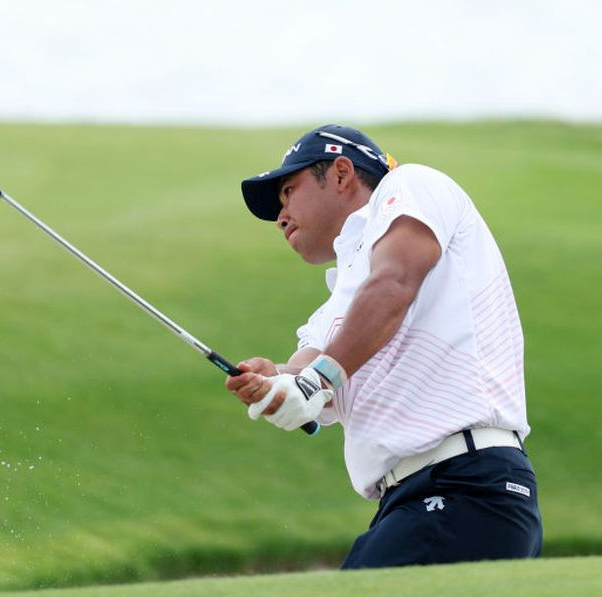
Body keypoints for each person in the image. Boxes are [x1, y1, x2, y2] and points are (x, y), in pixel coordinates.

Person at [227, 124, 542, 569]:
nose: (280, 216)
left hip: (466, 484)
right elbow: (310, 375)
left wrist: (313, 382)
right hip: (412, 499)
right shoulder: (339, 302)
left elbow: (394, 284)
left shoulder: (412, 185)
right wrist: (273, 382)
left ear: (340, 174)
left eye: (288, 192)